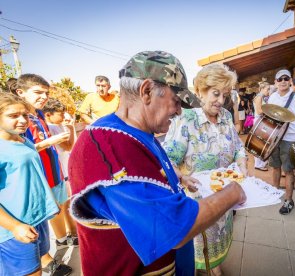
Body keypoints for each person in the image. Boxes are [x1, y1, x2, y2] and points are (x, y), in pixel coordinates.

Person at [68, 51, 246, 275]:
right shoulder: (111, 145)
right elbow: (174, 227)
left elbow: (153, 172)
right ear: (147, 91)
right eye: (176, 101)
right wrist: (233, 192)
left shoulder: (137, 132)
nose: (180, 110)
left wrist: (178, 176)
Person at [162, 63, 247, 275]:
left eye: (225, 95)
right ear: (200, 91)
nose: (220, 101)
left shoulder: (226, 117)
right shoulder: (187, 120)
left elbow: (237, 146)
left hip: (224, 198)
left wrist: (243, 163)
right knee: (199, 249)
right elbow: (167, 159)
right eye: (215, 94)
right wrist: (180, 176)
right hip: (197, 204)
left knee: (218, 240)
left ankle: (215, 266)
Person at [15, 74, 73, 275]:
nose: (43, 97)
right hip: (33, 181)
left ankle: (47, 257)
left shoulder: (38, 115)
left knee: (45, 221)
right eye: (38, 92)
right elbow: (19, 152)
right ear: (20, 92)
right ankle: (44, 261)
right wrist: (49, 142)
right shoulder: (16, 117)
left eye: (46, 93)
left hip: (50, 175)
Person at [0, 93, 59, 276]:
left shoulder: (24, 140)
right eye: (13, 116)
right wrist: (14, 226)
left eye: (24, 115)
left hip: (36, 220)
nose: (22, 120)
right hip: (15, 228)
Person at [268, 69, 295, 215]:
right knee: (275, 166)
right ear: (276, 82)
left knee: (288, 170)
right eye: (280, 79)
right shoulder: (272, 97)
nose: (283, 81)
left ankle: (289, 200)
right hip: (275, 137)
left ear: (290, 80)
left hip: (290, 138)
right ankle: (274, 193)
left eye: (286, 78)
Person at [43, 98, 78, 247]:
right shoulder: (50, 129)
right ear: (49, 115)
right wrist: (70, 128)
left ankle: (72, 233)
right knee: (62, 206)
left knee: (67, 203)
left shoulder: (57, 126)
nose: (63, 116)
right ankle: (63, 237)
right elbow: (70, 146)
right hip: (59, 171)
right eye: (60, 114)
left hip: (64, 169)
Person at [253, 81, 271, 171]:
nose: (269, 91)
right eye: (267, 89)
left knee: (262, 142)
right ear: (262, 89)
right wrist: (270, 111)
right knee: (259, 143)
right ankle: (258, 164)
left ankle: (260, 162)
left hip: (261, 121)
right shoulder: (259, 97)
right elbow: (259, 111)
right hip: (259, 121)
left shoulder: (261, 97)